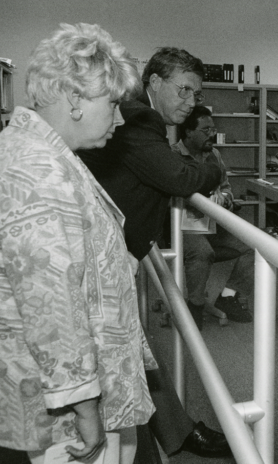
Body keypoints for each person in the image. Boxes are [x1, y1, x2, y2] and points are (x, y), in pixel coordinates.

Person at [0, 23, 155, 464]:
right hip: (60, 408)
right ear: (74, 98)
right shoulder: (37, 172)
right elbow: (51, 307)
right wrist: (85, 407)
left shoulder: (43, 154)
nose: (118, 118)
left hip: (58, 389)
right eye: (112, 103)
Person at [79, 47, 233, 459]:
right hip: (102, 259)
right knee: (124, 357)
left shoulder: (141, 119)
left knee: (136, 350)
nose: (190, 102)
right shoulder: (139, 117)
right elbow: (179, 176)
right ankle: (167, 439)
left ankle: (176, 433)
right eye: (183, 90)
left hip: (115, 252)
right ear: (154, 83)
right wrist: (216, 167)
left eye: (195, 94)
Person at [172, 106, 255, 326]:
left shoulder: (214, 155)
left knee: (255, 245)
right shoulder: (172, 156)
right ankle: (195, 306)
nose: (212, 134)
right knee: (202, 251)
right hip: (181, 226)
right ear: (189, 132)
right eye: (206, 129)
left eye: (213, 129)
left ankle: (228, 296)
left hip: (211, 223)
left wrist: (224, 199)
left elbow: (227, 188)